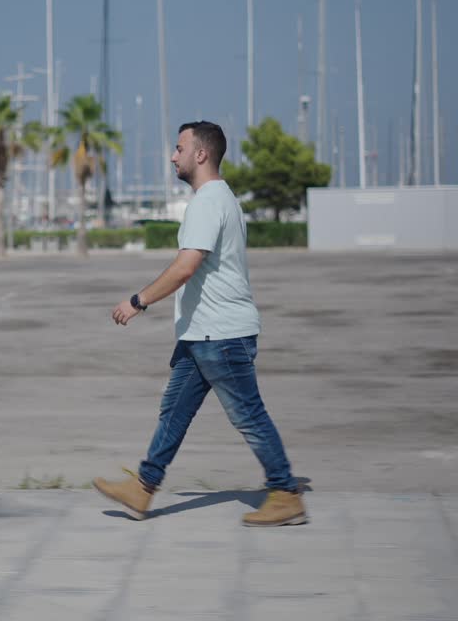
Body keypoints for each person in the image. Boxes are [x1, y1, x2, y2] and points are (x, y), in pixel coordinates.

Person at [95, 121, 306, 527]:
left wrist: (138, 302)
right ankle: (143, 489)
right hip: (202, 335)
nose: (173, 156)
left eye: (179, 148)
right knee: (174, 410)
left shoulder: (208, 201)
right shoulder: (221, 198)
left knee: (248, 415)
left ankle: (285, 492)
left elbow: (186, 266)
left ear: (201, 154)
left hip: (221, 335)